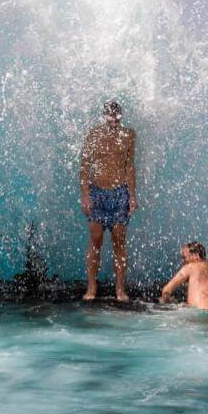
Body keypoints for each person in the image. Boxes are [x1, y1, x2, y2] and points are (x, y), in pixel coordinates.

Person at [80, 100, 138, 301]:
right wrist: (85, 195)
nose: (113, 120)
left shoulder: (129, 135)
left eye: (117, 116)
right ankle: (92, 288)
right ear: (104, 117)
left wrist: (132, 195)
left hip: (120, 193)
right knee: (95, 241)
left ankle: (120, 289)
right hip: (97, 192)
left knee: (119, 242)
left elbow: (129, 166)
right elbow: (84, 166)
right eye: (110, 116)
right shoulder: (93, 135)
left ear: (120, 116)